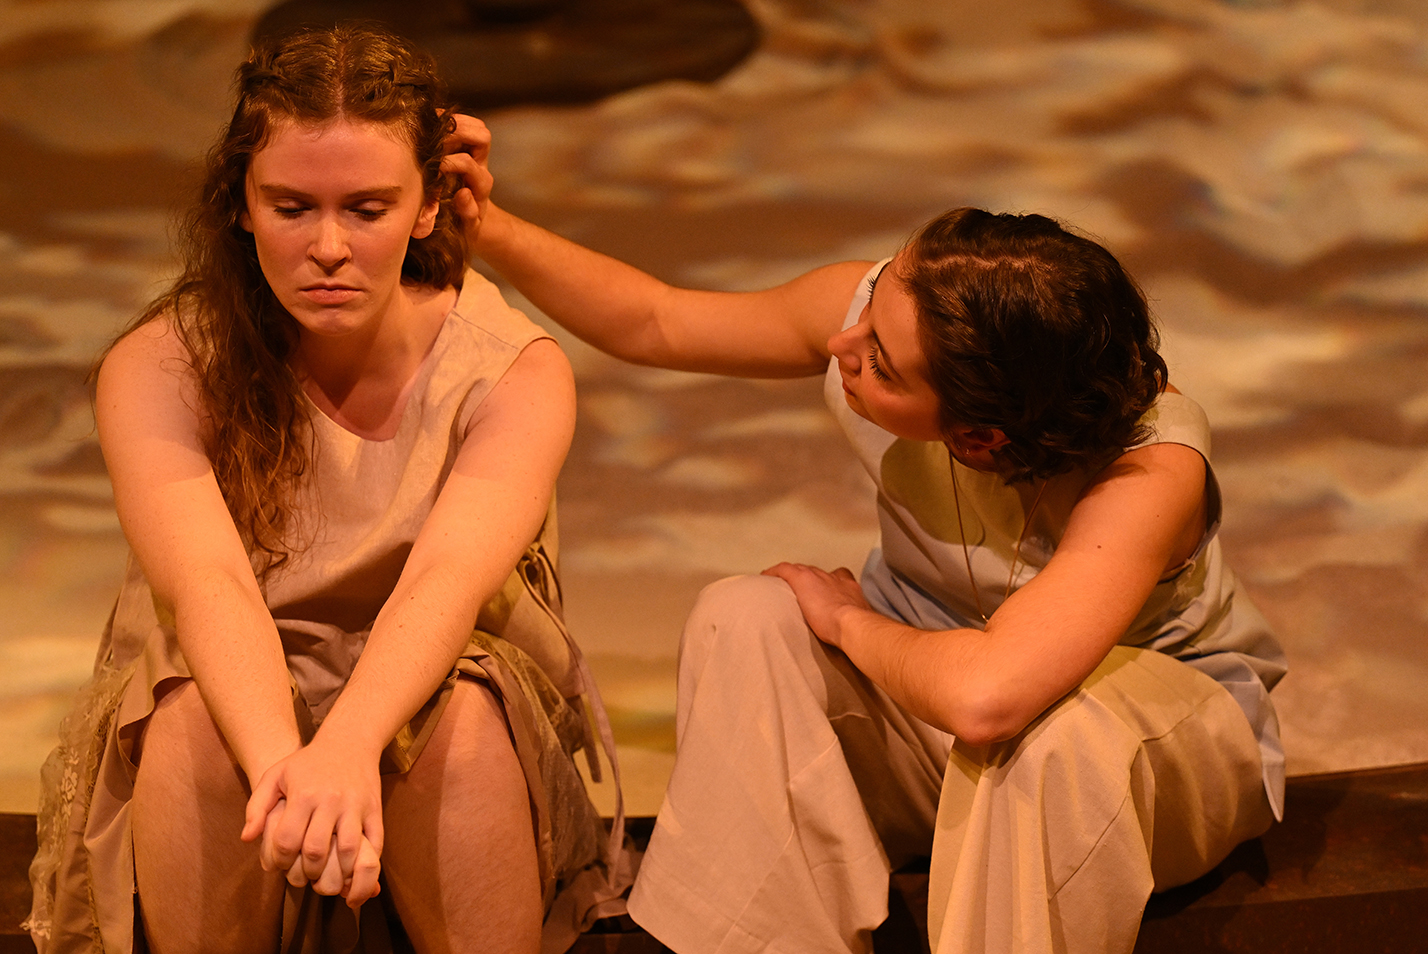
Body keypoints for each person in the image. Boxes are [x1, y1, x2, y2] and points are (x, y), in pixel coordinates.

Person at [442, 116, 1288, 954]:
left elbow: (989, 696)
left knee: (1046, 741)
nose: (843, 343)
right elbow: (656, 321)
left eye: (878, 361)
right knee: (747, 617)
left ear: (977, 439)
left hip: (1148, 758)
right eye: (869, 312)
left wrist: (850, 621)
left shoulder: (1150, 469)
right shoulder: (884, 315)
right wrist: (481, 220)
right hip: (939, 693)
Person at [27, 27, 627, 954]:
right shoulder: (161, 364)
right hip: (232, 690)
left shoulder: (512, 372)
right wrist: (288, 773)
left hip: (434, 688)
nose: (330, 247)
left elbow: (445, 584)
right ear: (241, 205)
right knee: (191, 726)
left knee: (462, 726)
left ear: (429, 208)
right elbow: (208, 587)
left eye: (369, 207)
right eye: (293, 206)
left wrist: (348, 747)